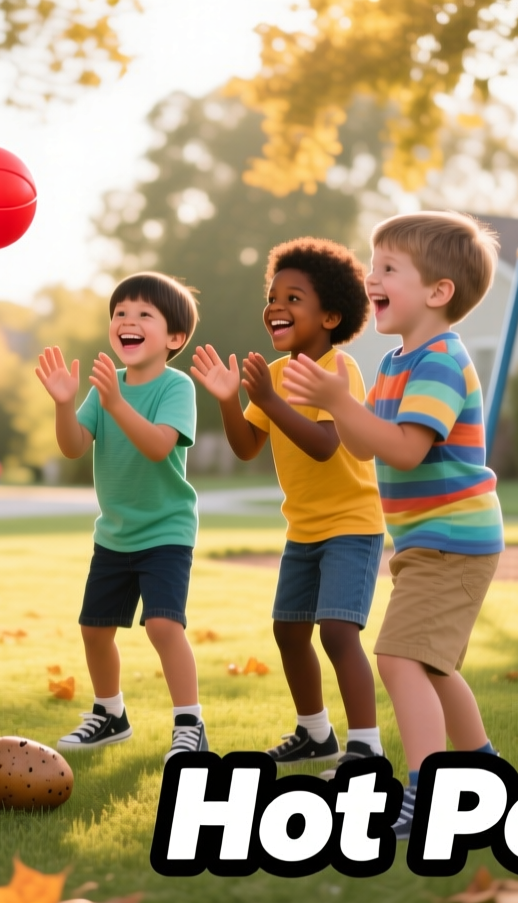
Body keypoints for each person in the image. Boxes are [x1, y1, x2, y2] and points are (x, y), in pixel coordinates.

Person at [283, 211, 504, 840]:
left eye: (387, 268)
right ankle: (481, 772)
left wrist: (338, 403)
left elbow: (406, 449)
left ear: (438, 292)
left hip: (453, 539)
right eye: (370, 263)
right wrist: (334, 405)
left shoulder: (439, 360)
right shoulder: (396, 362)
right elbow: (364, 447)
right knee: (434, 666)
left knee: (399, 657)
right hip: (427, 541)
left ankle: (430, 793)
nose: (369, 276)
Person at [189, 237, 387, 773]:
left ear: (330, 316)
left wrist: (271, 402)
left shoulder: (337, 371)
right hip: (303, 529)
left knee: (338, 631)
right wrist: (231, 399)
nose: (276, 306)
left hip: (351, 524)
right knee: (288, 630)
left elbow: (325, 446)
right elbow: (247, 446)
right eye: (273, 296)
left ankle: (366, 747)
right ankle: (315, 732)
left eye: (293, 298)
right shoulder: (272, 378)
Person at [35, 272, 207, 764]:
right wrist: (66, 403)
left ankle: (189, 723)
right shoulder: (104, 386)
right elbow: (72, 447)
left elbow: (158, 446)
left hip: (166, 530)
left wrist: (114, 402)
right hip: (114, 532)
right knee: (95, 629)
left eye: (143, 315)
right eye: (120, 313)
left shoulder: (177, 387)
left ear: (174, 338)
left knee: (162, 626)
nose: (127, 321)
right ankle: (110, 715)